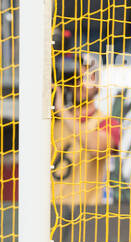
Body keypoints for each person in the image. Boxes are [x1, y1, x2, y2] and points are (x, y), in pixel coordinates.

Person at [51, 52, 119, 206]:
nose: (80, 83)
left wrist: (62, 110)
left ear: (98, 84)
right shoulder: (52, 121)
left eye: (87, 77)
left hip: (85, 218)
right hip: (49, 213)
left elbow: (96, 148)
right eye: (76, 77)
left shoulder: (106, 122)